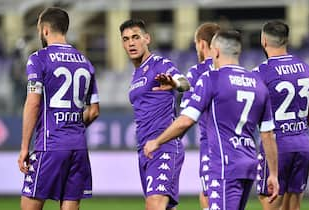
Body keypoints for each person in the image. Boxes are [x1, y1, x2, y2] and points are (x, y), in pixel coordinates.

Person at [144, 30, 279, 210]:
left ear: (215, 51)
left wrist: (157, 141)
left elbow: (186, 120)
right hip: (248, 165)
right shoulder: (258, 83)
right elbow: (268, 135)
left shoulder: (212, 78)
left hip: (224, 164)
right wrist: (274, 174)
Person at [17, 7, 100, 210]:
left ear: (44, 30)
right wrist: (72, 126)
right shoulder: (85, 62)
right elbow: (94, 110)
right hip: (78, 148)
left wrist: (25, 147)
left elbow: (33, 103)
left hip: (50, 144)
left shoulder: (38, 59)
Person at [119, 19, 190, 210]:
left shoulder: (160, 63)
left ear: (147, 39)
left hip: (163, 144)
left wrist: (175, 84)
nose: (131, 43)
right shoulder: (136, 74)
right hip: (146, 148)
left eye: (135, 37)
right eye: (126, 39)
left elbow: (185, 84)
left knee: (154, 204)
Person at [254, 20, 309, 210]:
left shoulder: (261, 72)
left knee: (270, 202)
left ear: (264, 40)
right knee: (294, 206)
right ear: (286, 40)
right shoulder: (306, 68)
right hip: (302, 143)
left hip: (276, 145)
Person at [180, 22, 220, 210]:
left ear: (202, 44)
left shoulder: (197, 73)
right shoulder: (237, 71)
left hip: (212, 145)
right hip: (240, 148)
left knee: (208, 195)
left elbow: (186, 114)